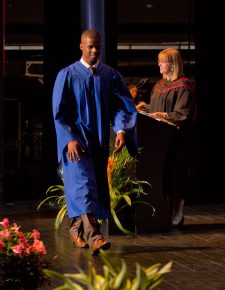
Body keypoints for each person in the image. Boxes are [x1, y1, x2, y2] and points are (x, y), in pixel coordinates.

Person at [52, 29, 138, 254]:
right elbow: (59, 113)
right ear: (81, 46)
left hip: (98, 142)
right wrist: (69, 138)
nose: (94, 50)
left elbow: (123, 106)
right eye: (90, 46)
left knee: (92, 188)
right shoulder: (68, 75)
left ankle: (76, 230)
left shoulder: (109, 75)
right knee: (83, 187)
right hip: (76, 142)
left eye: (97, 46)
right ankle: (95, 237)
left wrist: (121, 130)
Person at [142, 48, 197, 228]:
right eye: (159, 61)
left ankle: (178, 212)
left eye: (162, 61)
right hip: (160, 141)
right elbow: (155, 110)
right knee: (163, 175)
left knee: (177, 175)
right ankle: (166, 211)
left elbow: (182, 114)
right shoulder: (159, 86)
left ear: (172, 65)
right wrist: (146, 110)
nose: (159, 64)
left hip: (178, 140)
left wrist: (164, 115)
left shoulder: (184, 86)